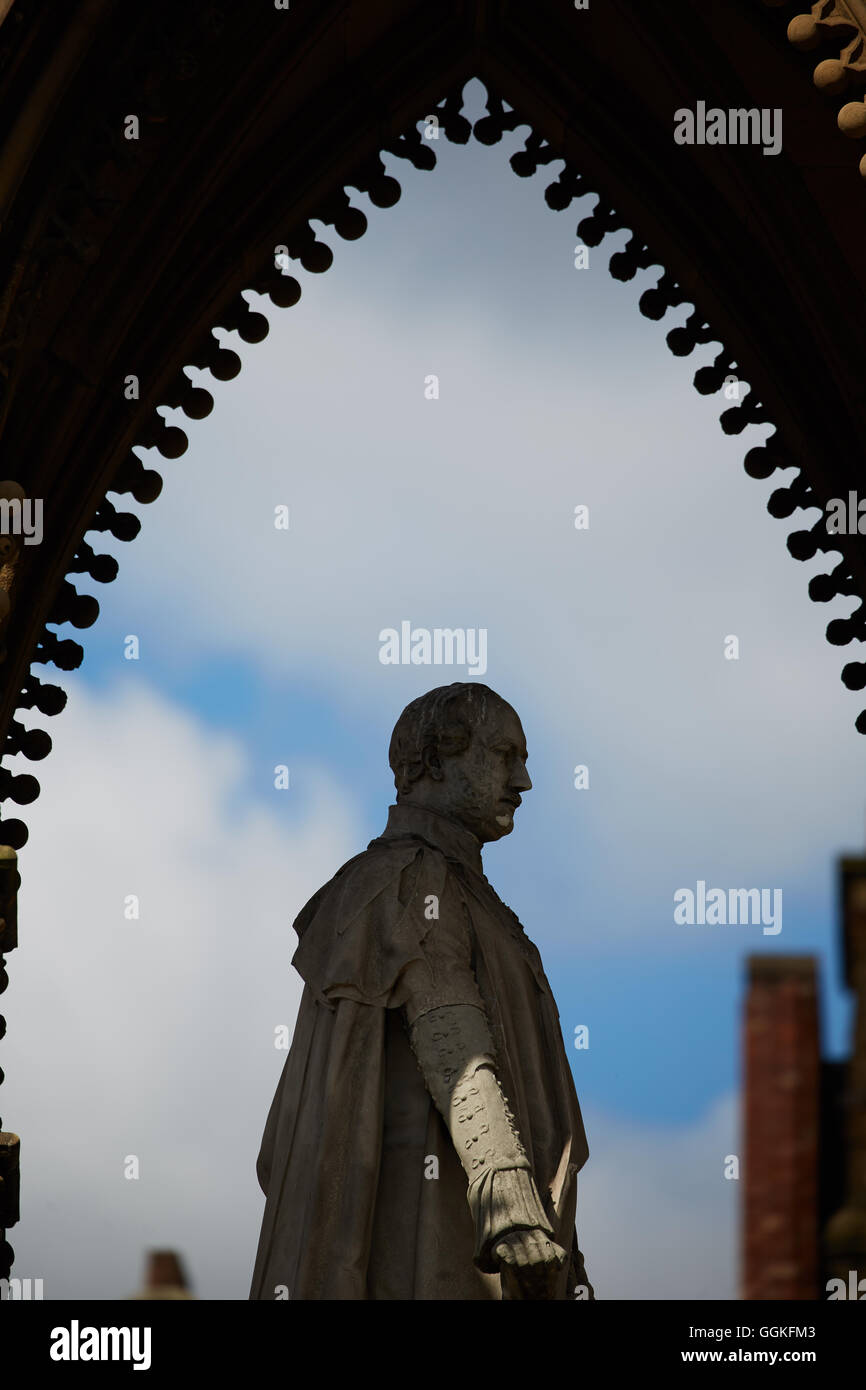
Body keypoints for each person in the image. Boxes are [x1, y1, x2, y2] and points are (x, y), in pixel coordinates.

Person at [250, 682, 592, 1300]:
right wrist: (507, 1200)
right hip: (432, 1232)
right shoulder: (410, 875)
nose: (524, 782)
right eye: (506, 756)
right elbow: (450, 1035)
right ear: (435, 762)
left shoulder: (475, 898)